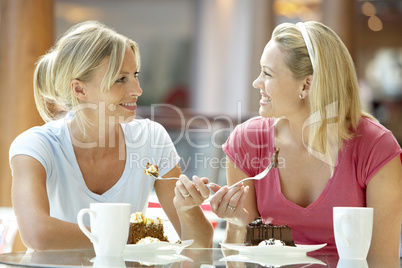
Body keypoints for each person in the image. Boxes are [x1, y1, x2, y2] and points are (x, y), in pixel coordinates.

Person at [9, 21, 213, 250]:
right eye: (121, 79)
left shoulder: (151, 140)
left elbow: (200, 245)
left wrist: (187, 210)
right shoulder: (35, 146)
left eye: (135, 75)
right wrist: (132, 235)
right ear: (79, 90)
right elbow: (38, 234)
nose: (137, 89)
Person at [207, 21, 402, 257]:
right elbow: (239, 258)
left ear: (306, 84)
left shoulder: (376, 147)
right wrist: (238, 224)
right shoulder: (246, 142)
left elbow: (383, 260)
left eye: (267, 73)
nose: (257, 83)